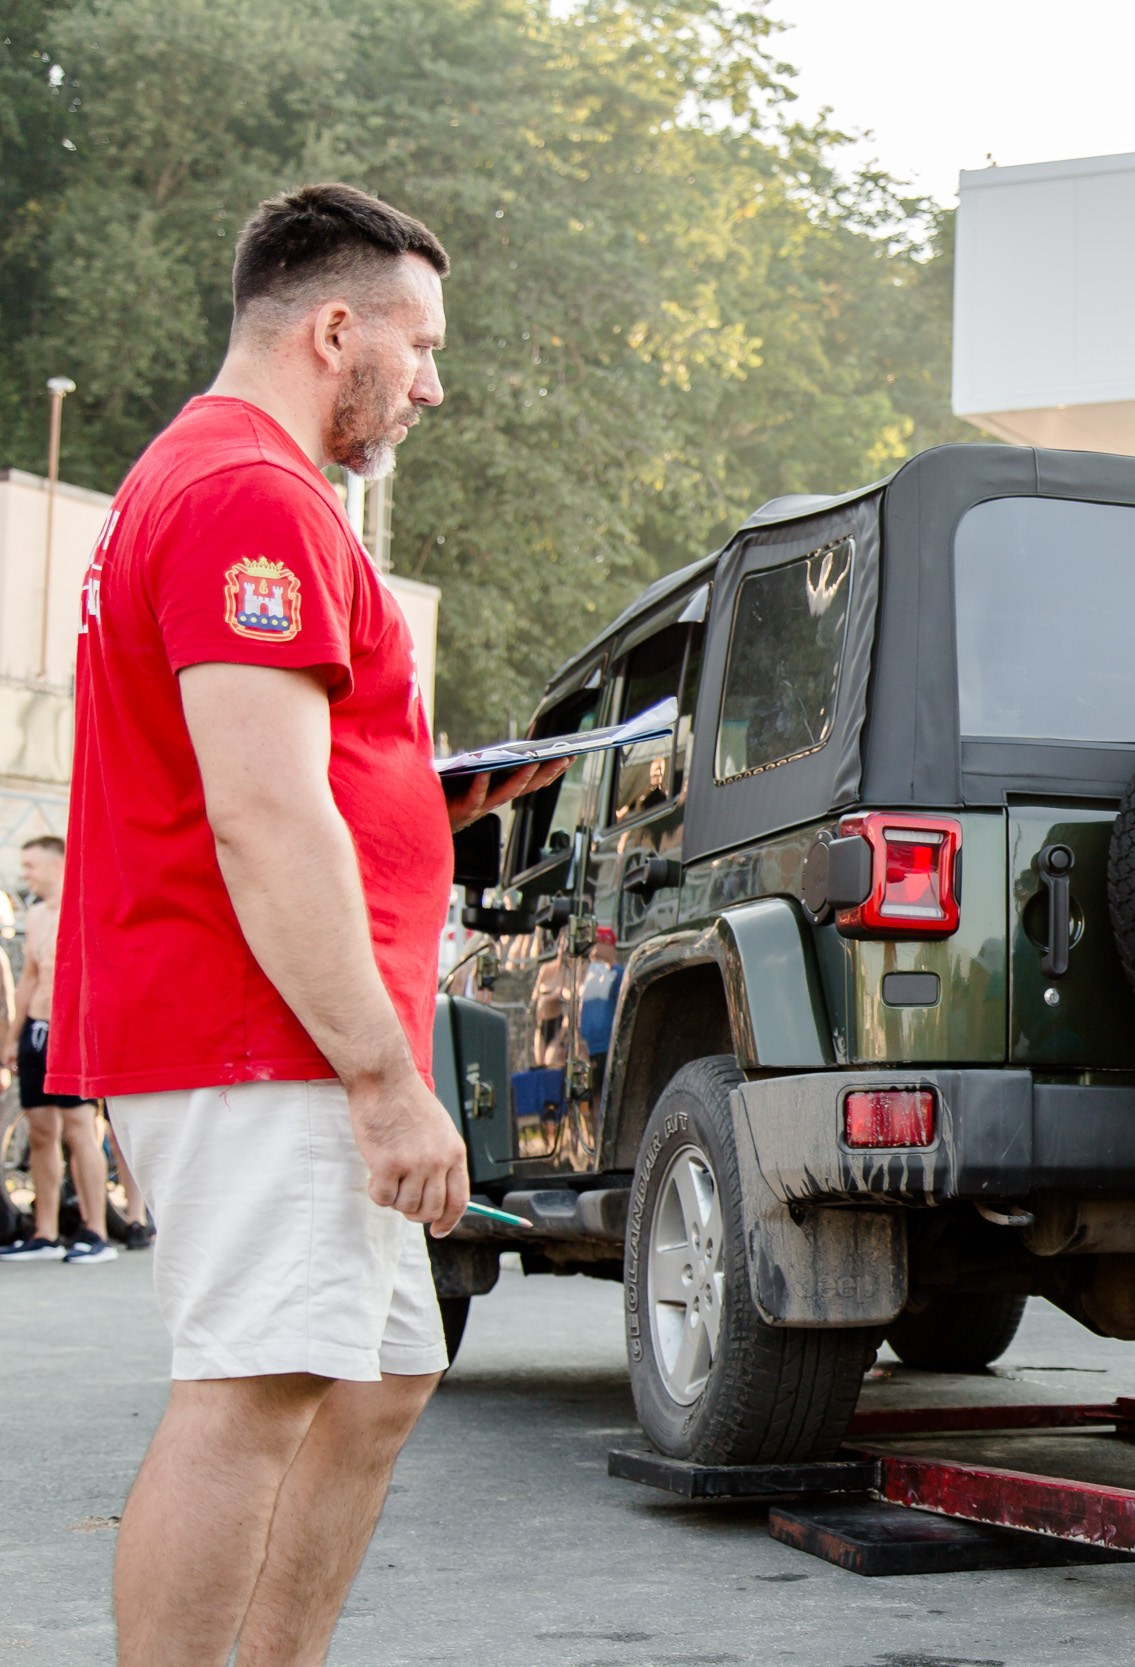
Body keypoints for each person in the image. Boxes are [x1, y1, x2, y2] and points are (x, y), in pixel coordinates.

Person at [49, 183, 562, 1667]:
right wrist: (385, 1078)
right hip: (258, 1027)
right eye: (421, 343)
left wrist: (430, 799)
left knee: (380, 1374)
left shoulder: (227, 486)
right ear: (336, 329)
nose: (433, 381)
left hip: (280, 1023)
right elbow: (260, 813)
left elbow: (290, 770)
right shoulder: (243, 495)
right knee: (259, 1381)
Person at [0, 835, 123, 1264]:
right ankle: (46, 1231)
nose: (25, 873)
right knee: (40, 1131)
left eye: (31, 865)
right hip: (37, 1030)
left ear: (58, 865)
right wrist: (12, 1037)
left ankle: (96, 1231)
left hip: (74, 1030)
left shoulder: (88, 906)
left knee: (79, 1127)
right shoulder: (34, 915)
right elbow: (30, 976)